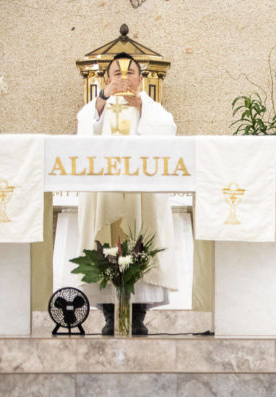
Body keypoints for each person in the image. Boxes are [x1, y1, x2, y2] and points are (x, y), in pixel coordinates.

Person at [70, 52, 178, 334]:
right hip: (105, 191)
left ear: (141, 79)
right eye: (117, 74)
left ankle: (138, 316)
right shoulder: (96, 107)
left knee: (142, 240)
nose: (124, 78)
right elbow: (83, 131)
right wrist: (103, 99)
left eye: (130, 73)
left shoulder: (152, 108)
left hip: (140, 192)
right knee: (105, 242)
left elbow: (169, 131)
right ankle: (109, 315)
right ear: (107, 79)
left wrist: (142, 107)